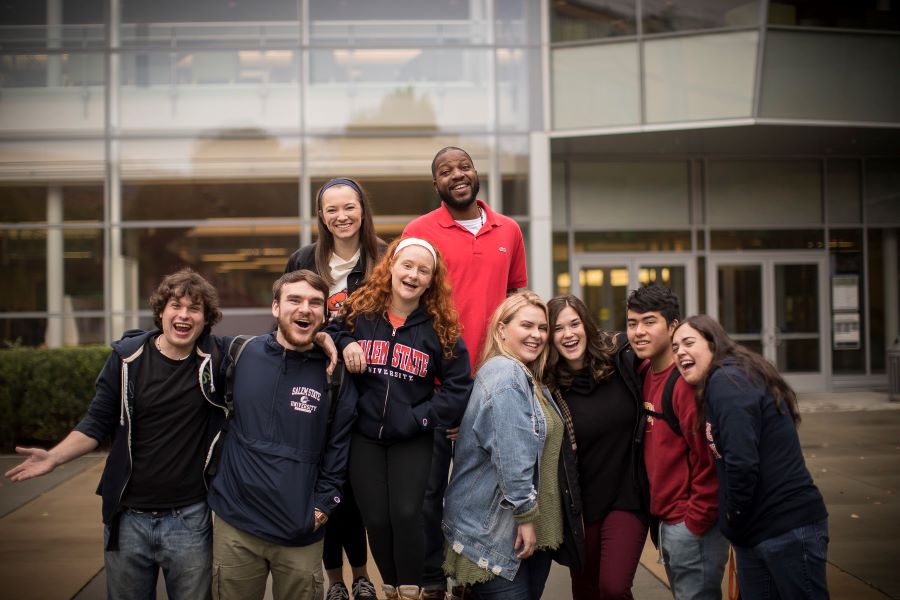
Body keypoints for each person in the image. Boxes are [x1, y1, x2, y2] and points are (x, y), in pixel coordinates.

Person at [5, 268, 228, 600]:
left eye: (194, 308)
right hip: (127, 520)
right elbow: (96, 423)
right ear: (161, 312)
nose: (184, 315)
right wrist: (54, 456)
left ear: (205, 318)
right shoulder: (127, 360)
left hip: (189, 519)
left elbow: (273, 347)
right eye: (175, 306)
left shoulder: (216, 360)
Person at [403, 146, 528, 599]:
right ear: (435, 183)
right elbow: (407, 295)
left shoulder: (509, 230)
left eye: (464, 167)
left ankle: (473, 575)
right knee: (429, 491)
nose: (457, 175)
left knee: (485, 492)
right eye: (445, 171)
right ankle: (434, 578)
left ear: (475, 174)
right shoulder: (419, 231)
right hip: (438, 381)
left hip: (497, 381)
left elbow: (518, 298)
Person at [330, 237, 473, 600]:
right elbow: (329, 329)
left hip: (413, 435)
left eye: (423, 271)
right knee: (375, 518)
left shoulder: (441, 326)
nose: (413, 275)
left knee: (408, 512)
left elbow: (459, 387)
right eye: (407, 265)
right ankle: (391, 587)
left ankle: (411, 588)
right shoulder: (361, 311)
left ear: (431, 280)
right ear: (390, 266)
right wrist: (346, 343)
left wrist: (419, 418)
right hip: (364, 435)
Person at [207, 270, 357, 600]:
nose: (305, 309)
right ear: (275, 308)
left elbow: (339, 450)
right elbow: (178, 341)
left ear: (324, 313)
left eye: (315, 303)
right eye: (294, 300)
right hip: (236, 526)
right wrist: (133, 342)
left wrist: (322, 507)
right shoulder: (240, 354)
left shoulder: (335, 375)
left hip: (299, 530)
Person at [672, 315, 830, 599]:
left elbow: (742, 462)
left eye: (688, 342)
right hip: (756, 534)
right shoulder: (723, 381)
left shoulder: (728, 381)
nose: (680, 351)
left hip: (786, 530)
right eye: (675, 347)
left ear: (713, 344)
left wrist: (733, 516)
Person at [284, 177, 385, 600]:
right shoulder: (305, 258)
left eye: (349, 207)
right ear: (321, 216)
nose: (341, 217)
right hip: (320, 383)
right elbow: (293, 315)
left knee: (355, 488)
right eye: (331, 210)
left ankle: (361, 576)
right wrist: (326, 337)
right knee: (322, 484)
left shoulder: (385, 257)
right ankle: (335, 583)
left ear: (363, 209)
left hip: (374, 387)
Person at [443, 291, 574, 600]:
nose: (537, 335)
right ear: (501, 330)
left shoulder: (529, 378)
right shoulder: (507, 374)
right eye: (526, 325)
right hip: (499, 531)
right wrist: (526, 517)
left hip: (522, 530)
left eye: (543, 328)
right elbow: (513, 457)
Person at [625, 286, 727, 600]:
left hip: (690, 524)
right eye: (631, 323)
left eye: (649, 321)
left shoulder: (684, 383)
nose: (638, 332)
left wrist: (693, 522)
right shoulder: (643, 371)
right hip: (666, 521)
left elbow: (708, 461)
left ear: (672, 326)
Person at [547, 295, 650, 600]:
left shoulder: (621, 359)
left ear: (586, 325)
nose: (569, 334)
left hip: (627, 496)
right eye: (558, 328)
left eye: (574, 323)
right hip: (582, 506)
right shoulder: (549, 386)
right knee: (586, 590)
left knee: (614, 588)